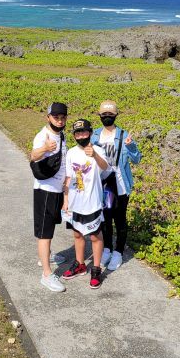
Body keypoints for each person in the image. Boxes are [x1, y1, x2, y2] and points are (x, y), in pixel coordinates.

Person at [91, 100, 141, 272]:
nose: (107, 117)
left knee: (120, 219)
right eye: (104, 115)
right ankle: (106, 249)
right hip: (101, 184)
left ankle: (118, 251)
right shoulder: (95, 136)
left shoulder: (123, 135)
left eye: (110, 115)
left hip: (120, 185)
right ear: (99, 116)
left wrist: (131, 145)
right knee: (105, 218)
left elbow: (137, 159)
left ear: (116, 116)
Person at [62, 118, 109, 289]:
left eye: (84, 132)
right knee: (77, 234)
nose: (81, 135)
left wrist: (94, 155)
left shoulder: (98, 150)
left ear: (90, 133)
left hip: (93, 202)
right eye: (77, 133)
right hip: (76, 202)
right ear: (74, 135)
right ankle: (80, 264)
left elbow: (105, 167)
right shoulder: (71, 153)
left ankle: (96, 269)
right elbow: (68, 177)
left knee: (95, 236)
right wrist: (65, 200)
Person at [31, 102, 69, 292]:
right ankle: (46, 274)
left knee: (51, 227)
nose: (60, 121)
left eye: (63, 118)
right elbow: (33, 156)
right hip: (45, 190)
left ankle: (47, 257)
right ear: (48, 117)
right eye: (56, 117)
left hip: (57, 190)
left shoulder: (61, 135)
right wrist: (45, 148)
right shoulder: (42, 136)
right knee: (44, 233)